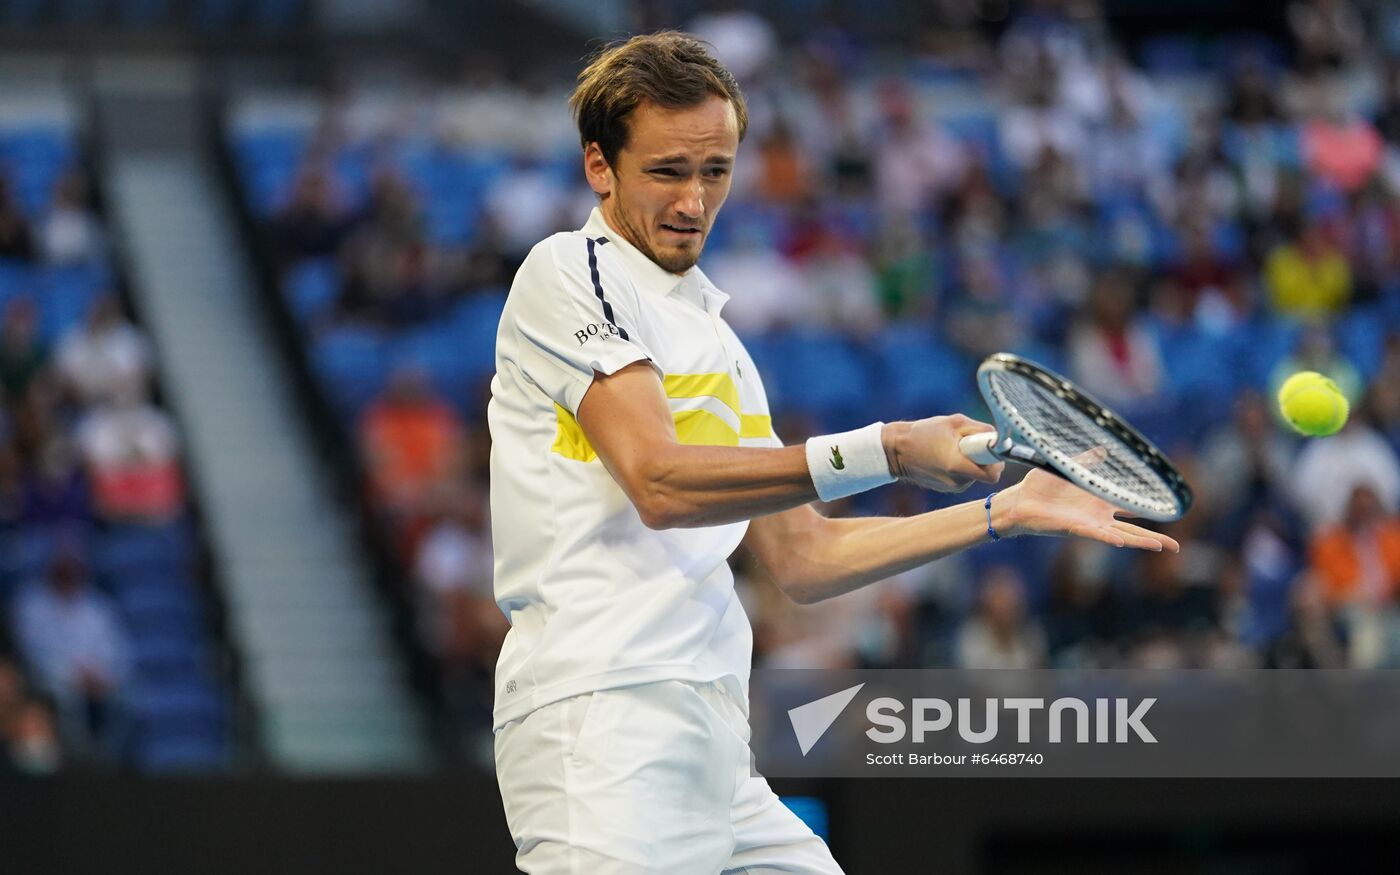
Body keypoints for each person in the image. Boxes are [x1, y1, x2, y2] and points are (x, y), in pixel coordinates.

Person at [487, 31, 1178, 874]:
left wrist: (1001, 511)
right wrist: (887, 448)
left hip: (713, 735)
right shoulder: (569, 273)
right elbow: (659, 481)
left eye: (716, 171)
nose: (694, 201)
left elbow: (804, 557)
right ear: (601, 167)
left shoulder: (719, 345)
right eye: (668, 171)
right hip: (600, 719)